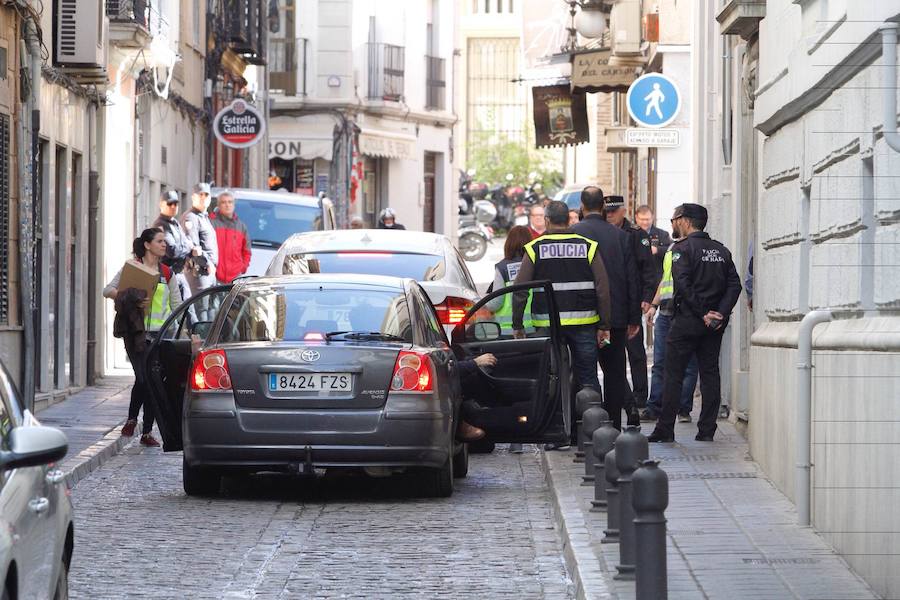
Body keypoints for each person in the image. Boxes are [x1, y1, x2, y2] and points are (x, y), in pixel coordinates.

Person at [512, 200, 612, 449]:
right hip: (584, 322)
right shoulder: (587, 247)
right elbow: (603, 289)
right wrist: (605, 324)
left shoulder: (535, 248)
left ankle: (558, 436)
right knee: (588, 377)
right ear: (568, 220)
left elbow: (520, 291)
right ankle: (593, 436)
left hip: (548, 325)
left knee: (552, 378)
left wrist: (518, 324)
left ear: (546, 220)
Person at [648, 203, 742, 443]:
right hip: (714, 325)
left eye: (674, 219)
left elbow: (683, 283)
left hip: (688, 320)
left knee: (673, 373)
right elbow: (735, 285)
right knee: (710, 372)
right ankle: (707, 430)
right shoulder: (721, 250)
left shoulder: (682, 249)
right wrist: (719, 313)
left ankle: (665, 429)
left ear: (685, 221)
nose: (673, 224)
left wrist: (703, 313)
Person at [103, 228, 183, 447]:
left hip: (160, 337)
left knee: (153, 381)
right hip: (135, 334)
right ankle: (132, 420)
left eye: (164, 241)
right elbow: (107, 290)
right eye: (159, 241)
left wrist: (184, 334)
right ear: (147, 245)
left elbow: (177, 306)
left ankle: (146, 431)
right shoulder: (133, 268)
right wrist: (132, 297)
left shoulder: (167, 274)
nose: (164, 244)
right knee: (144, 377)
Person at [571, 187, 642, 430]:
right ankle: (613, 425)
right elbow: (632, 278)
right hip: (616, 319)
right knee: (615, 372)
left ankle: (581, 428)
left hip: (581, 317)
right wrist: (635, 318)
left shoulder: (572, 235)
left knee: (582, 372)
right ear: (602, 206)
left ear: (582, 206)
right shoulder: (620, 236)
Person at [603, 195, 657, 412]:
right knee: (610, 354)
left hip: (631, 301)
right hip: (609, 301)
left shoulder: (636, 235)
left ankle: (640, 396)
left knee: (635, 352)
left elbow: (647, 270)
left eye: (612, 212)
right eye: (606, 212)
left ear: (622, 212)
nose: (609, 216)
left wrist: (646, 298)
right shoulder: (604, 233)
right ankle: (623, 399)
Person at [485, 225, 532, 453]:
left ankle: (515, 438)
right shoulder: (536, 264)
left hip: (507, 336)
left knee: (510, 385)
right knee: (532, 384)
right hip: (535, 332)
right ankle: (528, 431)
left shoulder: (502, 268)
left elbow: (494, 303)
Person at [642, 246, 699, 423]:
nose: (673, 224)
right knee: (659, 363)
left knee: (689, 364)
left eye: (675, 220)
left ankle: (683, 409)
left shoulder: (694, 249)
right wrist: (653, 305)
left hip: (685, 314)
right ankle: (655, 407)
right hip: (665, 314)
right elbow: (664, 280)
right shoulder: (671, 249)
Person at [182, 183, 218, 319]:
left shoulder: (203, 216)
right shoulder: (191, 217)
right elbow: (194, 246)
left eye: (206, 195)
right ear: (193, 197)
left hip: (209, 272)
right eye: (200, 195)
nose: (203, 198)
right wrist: (207, 264)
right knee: (202, 312)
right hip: (200, 272)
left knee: (212, 311)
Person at [153, 190, 194, 308]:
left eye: (175, 204)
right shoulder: (160, 225)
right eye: (169, 204)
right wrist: (188, 248)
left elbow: (186, 242)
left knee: (188, 308)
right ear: (161, 205)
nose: (173, 207)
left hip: (179, 272)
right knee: (177, 310)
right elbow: (172, 251)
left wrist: (187, 246)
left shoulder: (175, 223)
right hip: (168, 274)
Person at [210, 190, 252, 284]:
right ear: (218, 205)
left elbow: (247, 251)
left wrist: (243, 267)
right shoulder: (211, 223)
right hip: (215, 276)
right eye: (223, 202)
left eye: (230, 202)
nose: (227, 205)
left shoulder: (241, 226)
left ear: (234, 205)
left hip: (235, 278)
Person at [634, 205, 672, 281]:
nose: (645, 222)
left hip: (656, 278)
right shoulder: (630, 234)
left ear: (652, 218)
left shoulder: (662, 234)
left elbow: (672, 250)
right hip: (637, 277)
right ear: (636, 218)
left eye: (648, 219)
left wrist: (657, 250)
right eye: (642, 219)